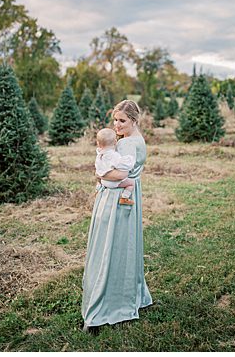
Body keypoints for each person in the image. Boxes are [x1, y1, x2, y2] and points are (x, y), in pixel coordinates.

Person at [81, 100, 153, 332]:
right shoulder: (137, 140)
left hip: (117, 200)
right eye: (115, 120)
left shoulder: (125, 146)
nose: (117, 125)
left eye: (122, 120)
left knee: (110, 247)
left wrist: (100, 175)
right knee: (125, 246)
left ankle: (108, 304)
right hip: (130, 195)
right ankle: (129, 294)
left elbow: (117, 173)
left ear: (134, 120)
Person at [94, 127, 136, 205]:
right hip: (112, 182)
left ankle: (97, 190)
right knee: (131, 183)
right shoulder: (113, 155)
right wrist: (130, 160)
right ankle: (124, 197)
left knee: (99, 179)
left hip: (102, 181)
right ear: (115, 142)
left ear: (98, 143)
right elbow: (121, 164)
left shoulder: (99, 154)